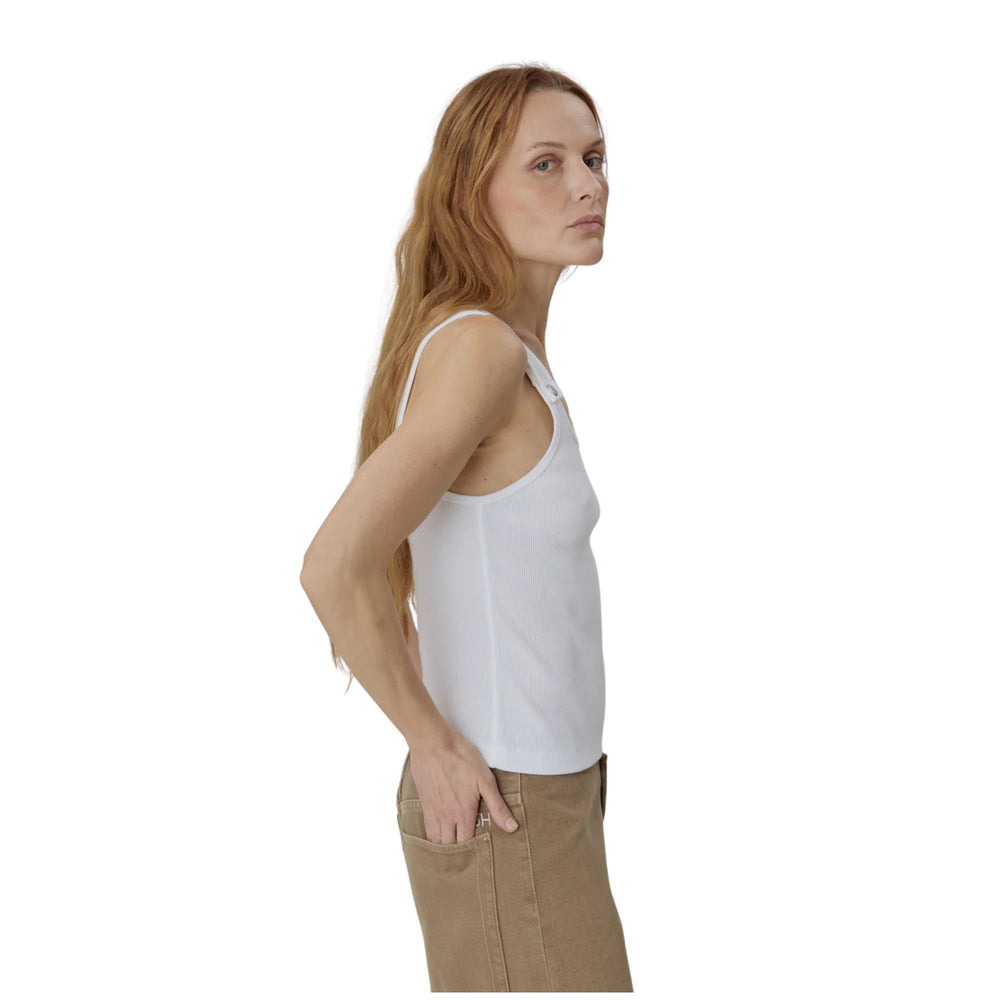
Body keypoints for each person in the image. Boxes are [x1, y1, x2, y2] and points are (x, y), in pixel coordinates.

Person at [300, 63, 633, 992]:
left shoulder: (511, 355)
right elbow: (334, 566)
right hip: (511, 802)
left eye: (595, 158)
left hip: (547, 795)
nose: (588, 185)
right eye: (546, 163)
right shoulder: (480, 349)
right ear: (470, 191)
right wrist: (433, 744)